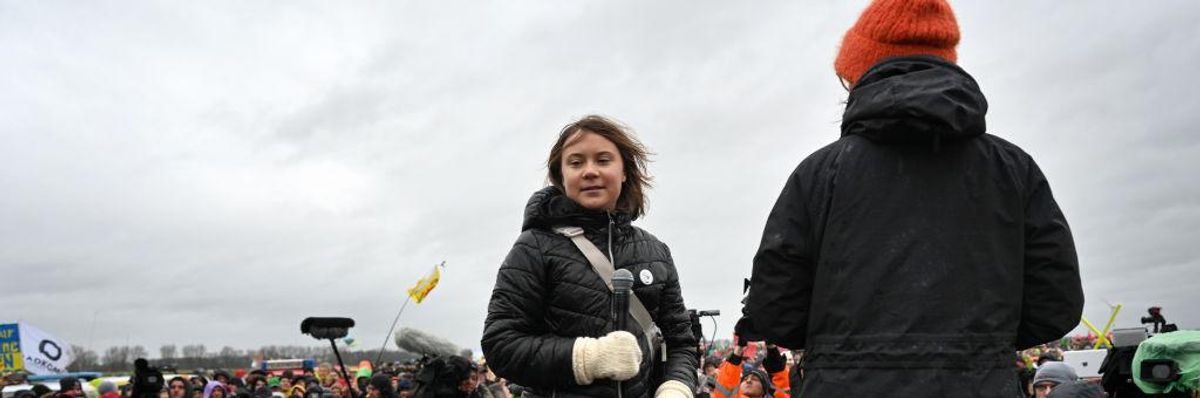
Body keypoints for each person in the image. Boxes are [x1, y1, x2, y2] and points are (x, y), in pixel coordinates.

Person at [741, 0, 1085, 397]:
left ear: (862, 73)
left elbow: (773, 308)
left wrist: (842, 348)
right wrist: (976, 346)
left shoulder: (820, 174)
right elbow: (1055, 303)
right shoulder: (1013, 170)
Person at [482, 115, 698, 398]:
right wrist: (587, 358)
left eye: (603, 160)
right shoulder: (534, 246)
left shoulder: (656, 251)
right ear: (561, 177)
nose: (590, 171)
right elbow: (501, 345)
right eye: (576, 162)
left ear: (624, 172)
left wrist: (677, 388)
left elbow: (681, 342)